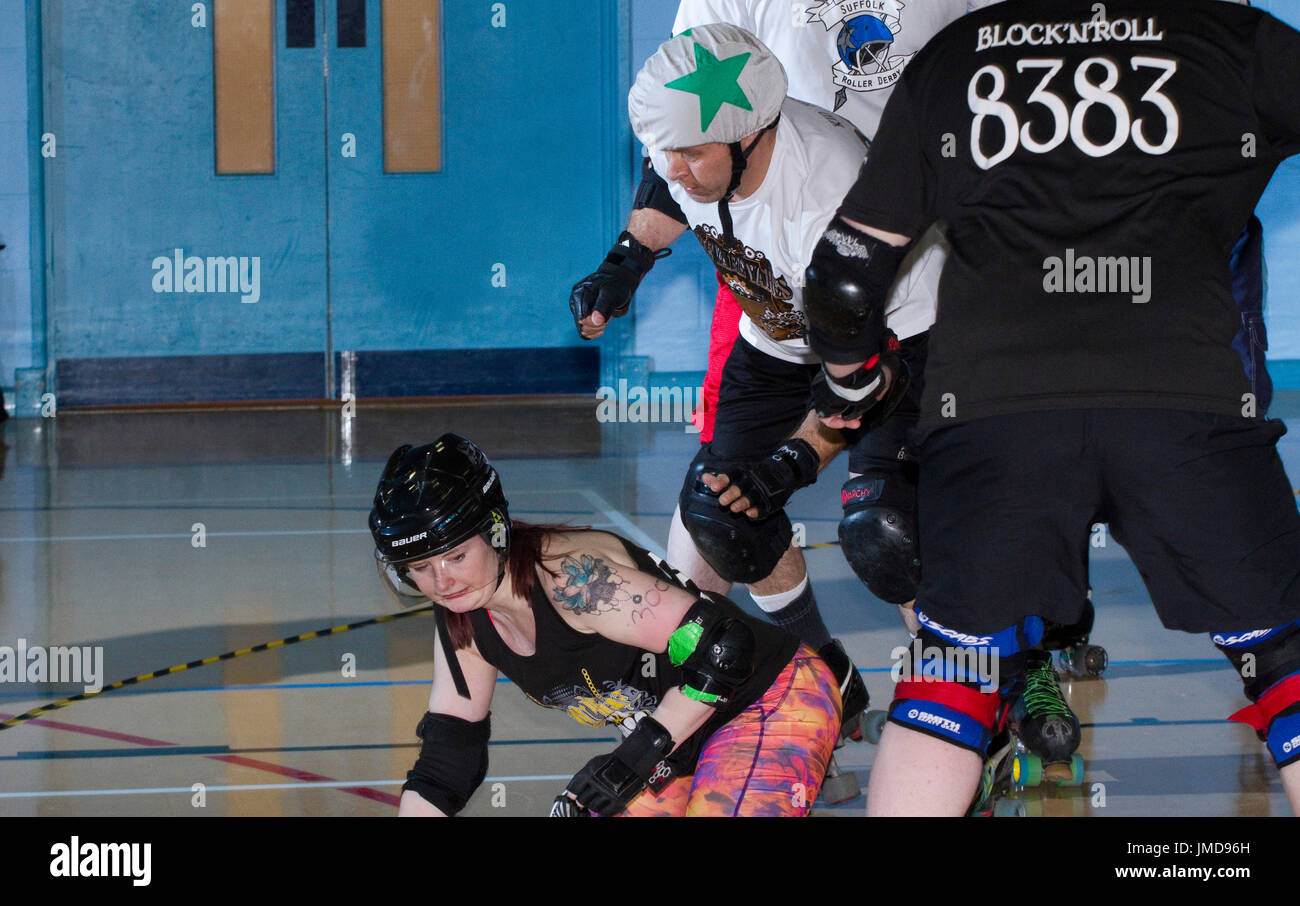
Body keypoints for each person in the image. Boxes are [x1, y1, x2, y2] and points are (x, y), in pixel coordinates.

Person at [801, 0, 1300, 814]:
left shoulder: (960, 51)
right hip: (1183, 404)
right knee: (1286, 662)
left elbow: (844, 278)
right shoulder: (1229, 38)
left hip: (996, 413)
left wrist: (854, 383)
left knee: (953, 675)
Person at [371, 433, 840, 817]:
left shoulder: (574, 580)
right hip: (673, 737)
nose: (442, 581)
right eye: (419, 566)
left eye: (455, 556)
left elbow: (724, 649)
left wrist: (630, 763)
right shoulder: (462, 616)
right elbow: (450, 757)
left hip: (767, 699)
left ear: (494, 530)